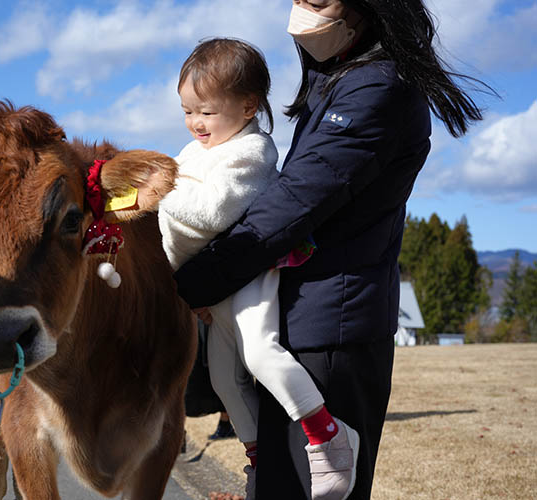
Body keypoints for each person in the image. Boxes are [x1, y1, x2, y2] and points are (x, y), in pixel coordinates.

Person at [172, 1, 491, 499]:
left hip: (331, 325)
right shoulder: (339, 79)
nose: (302, 13)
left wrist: (187, 285)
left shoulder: (376, 87)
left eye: (316, 1)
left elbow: (291, 205)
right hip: (305, 319)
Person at [159, 37, 360, 500]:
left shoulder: (252, 153)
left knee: (260, 352)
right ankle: (257, 456)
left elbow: (211, 211)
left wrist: (160, 194)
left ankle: (328, 435)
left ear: (249, 106)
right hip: (214, 283)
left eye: (206, 111)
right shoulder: (193, 155)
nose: (195, 123)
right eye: (188, 111)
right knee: (222, 376)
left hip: (249, 273)